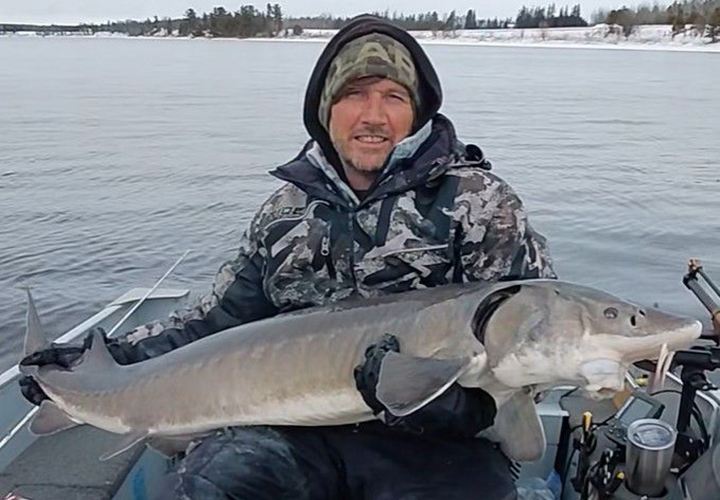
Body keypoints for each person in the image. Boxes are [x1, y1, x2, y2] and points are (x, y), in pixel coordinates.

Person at [20, 15, 555, 500]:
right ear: (326, 110)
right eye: (354, 94)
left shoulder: (478, 203)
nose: (374, 116)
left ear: (415, 112)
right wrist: (100, 355)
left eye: (393, 97)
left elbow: (537, 340)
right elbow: (215, 320)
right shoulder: (284, 212)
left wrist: (464, 408)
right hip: (293, 432)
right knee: (215, 483)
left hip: (438, 444)